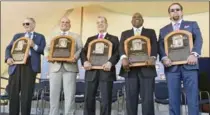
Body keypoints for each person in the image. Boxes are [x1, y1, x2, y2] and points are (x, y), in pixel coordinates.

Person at [158, 3, 203, 115]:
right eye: (172, 10)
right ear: (169, 14)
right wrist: (164, 58)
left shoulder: (192, 24)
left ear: (182, 12)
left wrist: (194, 54)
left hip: (190, 65)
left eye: (177, 9)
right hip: (171, 68)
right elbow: (160, 46)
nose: (175, 12)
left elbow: (199, 40)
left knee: (192, 98)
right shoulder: (163, 30)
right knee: (173, 99)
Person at [5, 17, 46, 115]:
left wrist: (34, 45)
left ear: (34, 24)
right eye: (23, 24)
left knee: (26, 94)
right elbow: (8, 48)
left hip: (30, 66)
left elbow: (43, 50)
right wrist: (8, 58)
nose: (25, 26)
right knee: (13, 93)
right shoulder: (17, 36)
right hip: (15, 65)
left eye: (27, 23)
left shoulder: (40, 37)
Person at [119, 12, 158, 115]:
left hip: (147, 69)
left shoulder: (150, 32)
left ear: (143, 20)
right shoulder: (125, 33)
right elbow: (121, 47)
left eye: (139, 17)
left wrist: (153, 57)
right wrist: (123, 58)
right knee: (131, 100)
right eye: (134, 17)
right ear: (131, 21)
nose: (137, 18)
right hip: (130, 70)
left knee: (148, 100)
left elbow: (155, 45)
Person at [80, 16, 119, 115]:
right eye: (98, 22)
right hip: (91, 72)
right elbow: (83, 52)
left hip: (106, 72)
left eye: (102, 22)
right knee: (88, 99)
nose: (100, 24)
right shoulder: (90, 39)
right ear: (96, 25)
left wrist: (110, 62)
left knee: (106, 99)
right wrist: (85, 61)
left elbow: (117, 53)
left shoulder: (114, 39)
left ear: (106, 24)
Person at [45, 17, 83, 115]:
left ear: (70, 25)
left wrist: (76, 56)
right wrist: (47, 56)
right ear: (59, 24)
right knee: (53, 95)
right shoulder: (53, 36)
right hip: (55, 68)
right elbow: (46, 49)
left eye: (67, 22)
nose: (64, 24)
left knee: (69, 95)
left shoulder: (76, 36)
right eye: (62, 22)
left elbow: (81, 49)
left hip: (70, 68)